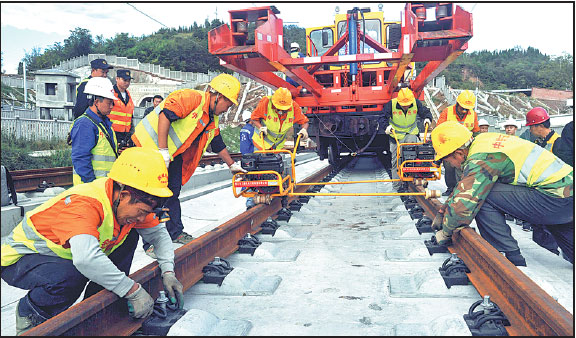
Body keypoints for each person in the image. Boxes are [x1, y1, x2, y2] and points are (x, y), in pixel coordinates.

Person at [1, 147, 184, 335]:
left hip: (61, 254)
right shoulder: (85, 204)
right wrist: (132, 291)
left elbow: (158, 235)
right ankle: (31, 315)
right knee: (71, 275)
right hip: (21, 258)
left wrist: (168, 271)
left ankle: (96, 310)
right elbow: (86, 259)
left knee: (129, 237)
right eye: (141, 213)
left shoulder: (133, 202)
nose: (141, 218)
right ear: (124, 196)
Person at [132, 74, 247, 257]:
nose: (228, 109)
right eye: (229, 104)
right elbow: (165, 116)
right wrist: (162, 151)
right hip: (149, 148)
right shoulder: (191, 98)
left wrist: (232, 165)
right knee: (151, 196)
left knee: (172, 192)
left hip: (172, 154)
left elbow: (217, 143)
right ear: (218, 96)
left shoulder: (212, 117)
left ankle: (175, 232)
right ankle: (150, 244)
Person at [430, 121, 574, 266]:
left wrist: (445, 232)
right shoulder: (483, 141)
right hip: (564, 192)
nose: (451, 165)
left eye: (447, 161)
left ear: (459, 153)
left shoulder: (482, 159)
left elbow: (465, 201)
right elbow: (465, 185)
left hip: (555, 198)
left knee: (484, 194)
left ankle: (509, 256)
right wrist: (444, 211)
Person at [380, 87, 433, 191]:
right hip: (395, 138)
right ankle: (397, 187)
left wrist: (427, 119)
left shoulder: (416, 103)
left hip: (411, 134)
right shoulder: (391, 104)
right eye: (403, 105)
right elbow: (382, 117)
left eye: (407, 105)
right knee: (396, 162)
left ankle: (416, 178)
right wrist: (386, 127)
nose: (406, 107)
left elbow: (425, 112)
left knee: (415, 155)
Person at [70, 77, 119, 185]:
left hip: (103, 186)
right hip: (90, 190)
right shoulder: (85, 124)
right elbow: (80, 158)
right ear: (96, 102)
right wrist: (92, 185)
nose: (111, 107)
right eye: (109, 103)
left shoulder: (104, 123)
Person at [436, 90, 480, 196]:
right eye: (462, 108)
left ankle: (461, 189)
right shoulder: (447, 112)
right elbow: (439, 129)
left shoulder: (473, 115)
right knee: (449, 166)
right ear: (457, 103)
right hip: (450, 147)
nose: (464, 111)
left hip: (465, 147)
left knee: (463, 168)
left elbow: (476, 132)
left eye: (467, 109)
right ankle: (451, 188)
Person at [109, 69, 136, 152]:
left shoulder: (128, 94)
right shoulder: (111, 93)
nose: (127, 83)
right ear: (117, 79)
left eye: (128, 81)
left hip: (126, 134)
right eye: (124, 80)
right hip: (112, 132)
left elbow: (130, 116)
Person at [239, 110, 256, 209]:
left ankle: (248, 198)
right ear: (251, 120)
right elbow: (255, 142)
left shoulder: (243, 129)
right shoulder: (251, 130)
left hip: (244, 156)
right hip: (251, 156)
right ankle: (250, 200)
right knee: (253, 177)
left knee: (247, 177)